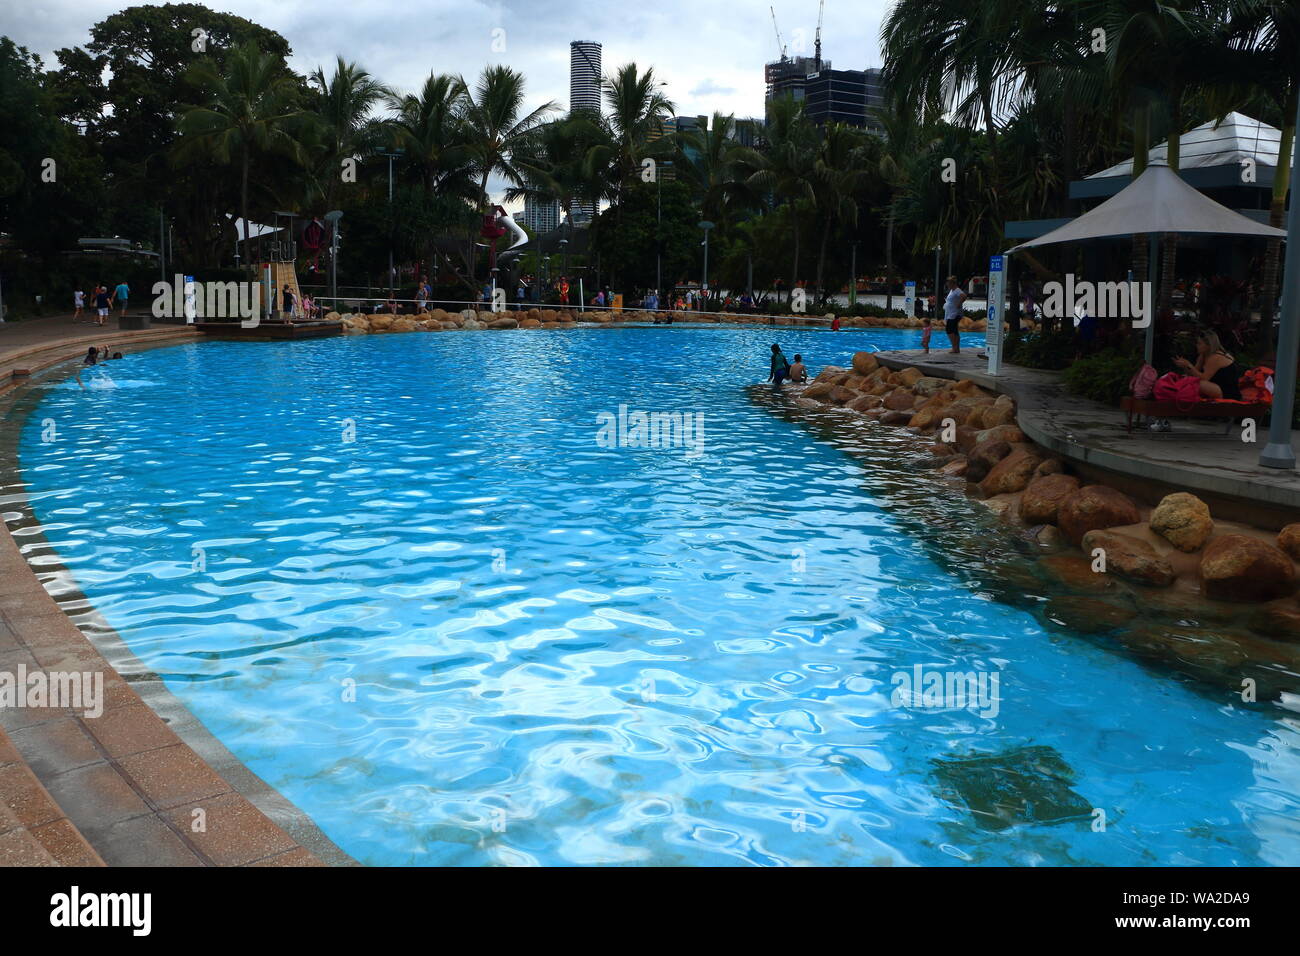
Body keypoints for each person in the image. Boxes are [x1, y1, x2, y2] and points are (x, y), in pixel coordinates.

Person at [1175, 330, 1242, 400]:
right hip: (1215, 386)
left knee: (1199, 384)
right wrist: (1185, 366)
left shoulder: (1215, 357)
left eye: (1199, 344)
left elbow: (1204, 378)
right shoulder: (1203, 355)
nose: (1197, 346)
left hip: (1227, 392)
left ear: (1208, 346)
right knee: (1188, 379)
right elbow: (1194, 373)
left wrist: (1189, 365)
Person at [943, 275, 967, 354]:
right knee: (954, 330)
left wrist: (959, 304)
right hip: (951, 313)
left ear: (952, 283)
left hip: (954, 314)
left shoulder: (957, 290)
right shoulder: (952, 290)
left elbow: (964, 296)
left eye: (948, 283)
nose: (947, 285)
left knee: (949, 330)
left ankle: (954, 348)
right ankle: (956, 348)